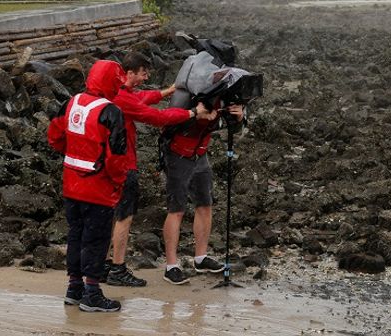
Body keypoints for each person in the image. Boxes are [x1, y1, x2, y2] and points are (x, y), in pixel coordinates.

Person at [106, 51, 214, 287]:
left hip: (113, 162)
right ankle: (117, 268)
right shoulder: (121, 99)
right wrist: (193, 112)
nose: (146, 77)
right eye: (144, 73)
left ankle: (105, 264)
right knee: (123, 217)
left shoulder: (120, 93)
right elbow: (155, 117)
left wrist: (171, 90)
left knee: (111, 214)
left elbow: (142, 97)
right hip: (122, 164)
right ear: (130, 72)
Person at [47, 60, 128, 312]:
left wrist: (74, 155)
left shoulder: (71, 102)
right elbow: (116, 156)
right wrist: (119, 181)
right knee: (96, 239)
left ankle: (74, 288)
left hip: (71, 185)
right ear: (112, 82)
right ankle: (92, 292)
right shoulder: (111, 112)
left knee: (76, 235)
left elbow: (54, 136)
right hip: (98, 188)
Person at [161, 95, 244, 285]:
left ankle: (201, 258)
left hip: (200, 153)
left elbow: (229, 127)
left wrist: (238, 117)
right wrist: (197, 114)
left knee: (205, 204)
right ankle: (171, 266)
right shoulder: (193, 95)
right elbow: (172, 120)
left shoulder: (223, 97)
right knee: (176, 209)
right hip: (178, 153)